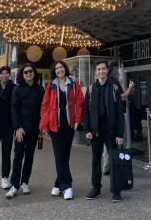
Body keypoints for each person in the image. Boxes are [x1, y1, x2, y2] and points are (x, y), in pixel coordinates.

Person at [40, 61, 84, 200]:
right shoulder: (50, 86)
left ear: (65, 69)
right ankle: (67, 186)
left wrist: (78, 120)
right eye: (57, 68)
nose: (59, 70)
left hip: (69, 125)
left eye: (61, 67)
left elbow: (80, 103)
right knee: (60, 156)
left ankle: (57, 184)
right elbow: (45, 107)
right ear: (54, 71)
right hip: (55, 125)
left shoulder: (74, 84)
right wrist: (44, 125)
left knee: (65, 155)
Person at [83, 60, 125, 203]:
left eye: (103, 69)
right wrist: (87, 129)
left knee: (114, 160)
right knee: (95, 160)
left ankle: (116, 190)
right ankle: (96, 188)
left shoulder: (114, 87)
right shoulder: (91, 89)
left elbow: (120, 111)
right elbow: (86, 111)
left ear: (107, 70)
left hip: (111, 129)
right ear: (96, 72)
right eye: (98, 69)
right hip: (96, 129)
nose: (101, 71)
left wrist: (120, 133)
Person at [6, 63, 44, 199]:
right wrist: (17, 127)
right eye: (26, 72)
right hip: (20, 129)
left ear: (34, 73)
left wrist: (41, 127)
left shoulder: (40, 89)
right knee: (18, 156)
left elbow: (42, 109)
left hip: (34, 128)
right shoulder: (17, 89)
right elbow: (14, 108)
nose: (28, 74)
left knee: (29, 157)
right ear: (22, 74)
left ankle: (25, 182)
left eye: (30, 71)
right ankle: (14, 185)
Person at [102, 60, 134, 175]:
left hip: (107, 117)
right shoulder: (114, 82)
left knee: (108, 142)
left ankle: (107, 167)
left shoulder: (105, 82)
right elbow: (122, 97)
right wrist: (130, 88)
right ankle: (121, 165)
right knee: (122, 140)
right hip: (118, 115)